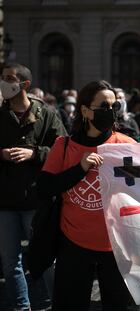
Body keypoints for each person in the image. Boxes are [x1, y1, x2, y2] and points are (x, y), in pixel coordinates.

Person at [37, 80, 138, 311]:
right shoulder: (63, 146)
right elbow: (44, 188)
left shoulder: (127, 145)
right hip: (73, 245)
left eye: (115, 106)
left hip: (117, 248)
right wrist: (79, 169)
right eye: (103, 106)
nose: (111, 112)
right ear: (85, 110)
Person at [0, 62, 67, 311]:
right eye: (3, 77)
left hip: (35, 199)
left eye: (9, 78)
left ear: (24, 85)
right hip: (4, 202)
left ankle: (56, 303)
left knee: (45, 257)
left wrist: (34, 154)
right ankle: (21, 306)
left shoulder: (46, 114)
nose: (4, 82)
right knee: (10, 262)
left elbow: (62, 150)